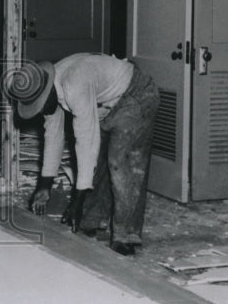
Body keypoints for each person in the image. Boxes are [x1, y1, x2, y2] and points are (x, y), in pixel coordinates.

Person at [8, 53, 159, 256]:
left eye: (41, 104)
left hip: (135, 93)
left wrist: (76, 202)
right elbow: (53, 137)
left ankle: (126, 236)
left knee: (121, 162)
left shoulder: (73, 85)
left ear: (48, 90)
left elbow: (86, 142)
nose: (41, 109)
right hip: (107, 102)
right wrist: (44, 187)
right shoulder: (50, 91)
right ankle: (93, 219)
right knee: (96, 162)